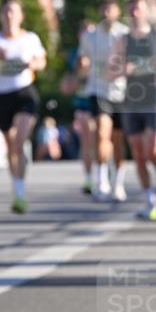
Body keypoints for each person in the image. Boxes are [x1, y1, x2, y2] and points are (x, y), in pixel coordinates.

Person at [0, 0, 46, 213]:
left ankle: (20, 191)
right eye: (6, 11)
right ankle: (17, 190)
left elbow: (42, 61)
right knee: (11, 148)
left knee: (18, 141)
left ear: (20, 16)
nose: (9, 15)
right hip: (1, 96)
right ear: (1, 15)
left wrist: (32, 63)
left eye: (13, 11)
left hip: (24, 94)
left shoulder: (30, 38)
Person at [115, 0, 156, 221]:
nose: (134, 12)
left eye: (138, 8)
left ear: (146, 11)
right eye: (130, 8)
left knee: (152, 150)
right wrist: (123, 69)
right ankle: (149, 199)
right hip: (132, 101)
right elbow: (109, 72)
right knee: (139, 155)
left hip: (155, 100)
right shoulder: (122, 40)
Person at [78, 0, 128, 202]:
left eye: (111, 9)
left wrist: (120, 69)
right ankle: (101, 180)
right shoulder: (90, 36)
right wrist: (82, 65)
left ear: (117, 12)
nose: (107, 13)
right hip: (98, 91)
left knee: (118, 140)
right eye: (104, 9)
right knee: (101, 132)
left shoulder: (125, 34)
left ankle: (118, 182)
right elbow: (82, 61)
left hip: (122, 93)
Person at [60, 18, 95, 194]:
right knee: (86, 139)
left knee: (102, 137)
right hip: (82, 100)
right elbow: (68, 82)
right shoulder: (74, 54)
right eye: (84, 32)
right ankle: (89, 178)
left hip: (101, 100)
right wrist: (78, 73)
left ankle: (106, 172)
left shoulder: (102, 51)